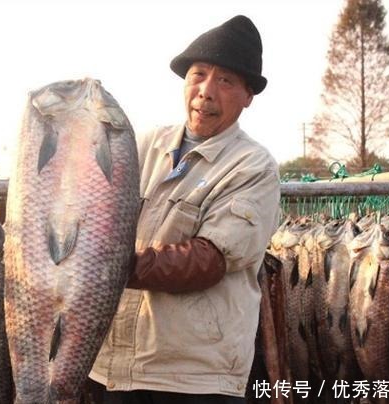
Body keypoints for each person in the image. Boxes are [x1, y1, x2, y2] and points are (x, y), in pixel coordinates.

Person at [86, 15, 281, 404]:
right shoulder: (140, 147)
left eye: (225, 81)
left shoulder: (253, 167)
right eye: (198, 74)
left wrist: (100, 269)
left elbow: (208, 260)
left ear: (248, 95)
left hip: (194, 379)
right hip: (111, 366)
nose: (206, 91)